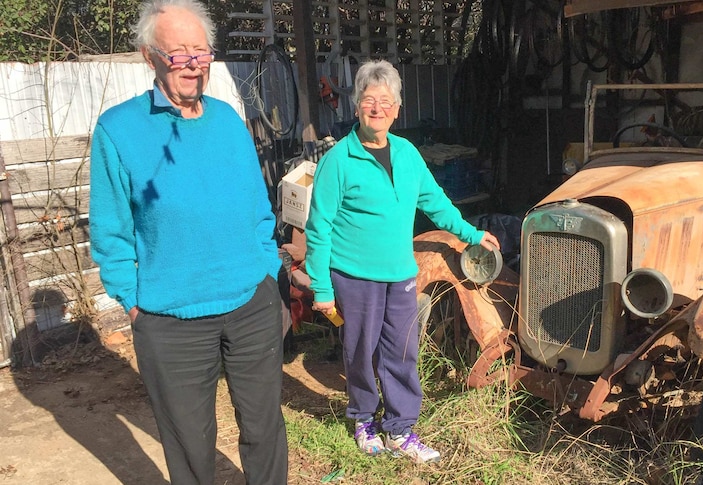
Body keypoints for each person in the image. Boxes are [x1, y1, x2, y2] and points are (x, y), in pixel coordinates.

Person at [88, 1, 288, 483]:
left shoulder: (227, 120)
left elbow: (257, 205)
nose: (193, 64)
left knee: (264, 429)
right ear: (148, 56)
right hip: (169, 320)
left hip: (250, 304)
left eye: (201, 52)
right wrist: (133, 302)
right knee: (189, 442)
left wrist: (266, 268)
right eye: (178, 53)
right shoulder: (119, 130)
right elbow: (110, 230)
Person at [304, 59, 500, 464]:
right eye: (369, 100)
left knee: (402, 350)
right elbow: (318, 228)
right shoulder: (338, 161)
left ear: (398, 108)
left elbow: (435, 202)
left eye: (386, 101)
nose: (378, 108)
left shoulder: (408, 153)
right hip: (355, 275)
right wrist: (322, 287)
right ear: (356, 106)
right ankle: (362, 418)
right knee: (360, 350)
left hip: (400, 273)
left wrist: (471, 233)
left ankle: (399, 428)